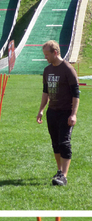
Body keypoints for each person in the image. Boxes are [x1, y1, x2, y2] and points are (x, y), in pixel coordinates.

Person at [37, 40, 79, 186]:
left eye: (47, 54)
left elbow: (76, 94)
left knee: (64, 143)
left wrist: (73, 114)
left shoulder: (68, 69)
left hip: (66, 112)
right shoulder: (47, 70)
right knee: (55, 143)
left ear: (55, 53)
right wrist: (41, 110)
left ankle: (64, 176)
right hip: (52, 112)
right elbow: (45, 92)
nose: (45, 57)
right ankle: (59, 171)